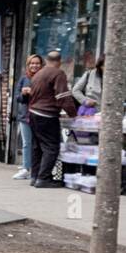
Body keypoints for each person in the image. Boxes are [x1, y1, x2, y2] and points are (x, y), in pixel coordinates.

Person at [27, 49, 77, 187]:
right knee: (51, 147)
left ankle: (35, 176)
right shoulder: (58, 73)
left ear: (46, 60)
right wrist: (73, 114)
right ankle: (44, 179)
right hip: (46, 115)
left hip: (33, 113)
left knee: (37, 147)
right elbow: (63, 97)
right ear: (59, 62)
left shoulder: (39, 74)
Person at [11, 54, 43, 180]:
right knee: (27, 143)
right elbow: (17, 98)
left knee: (39, 143)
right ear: (28, 65)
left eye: (37, 63)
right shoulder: (24, 78)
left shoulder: (44, 78)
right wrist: (24, 94)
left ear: (41, 65)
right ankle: (25, 168)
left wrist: (33, 92)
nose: (34, 66)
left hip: (41, 115)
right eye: (32, 63)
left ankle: (37, 169)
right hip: (26, 116)